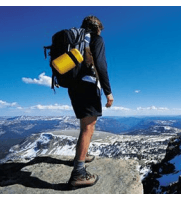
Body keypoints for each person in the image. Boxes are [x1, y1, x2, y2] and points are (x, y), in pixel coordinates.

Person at [67, 15, 114, 189]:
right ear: (97, 28)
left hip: (73, 86)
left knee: (84, 124)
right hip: (88, 85)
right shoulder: (96, 39)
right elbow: (101, 65)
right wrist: (108, 92)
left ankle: (81, 155)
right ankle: (78, 173)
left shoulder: (74, 41)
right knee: (89, 127)